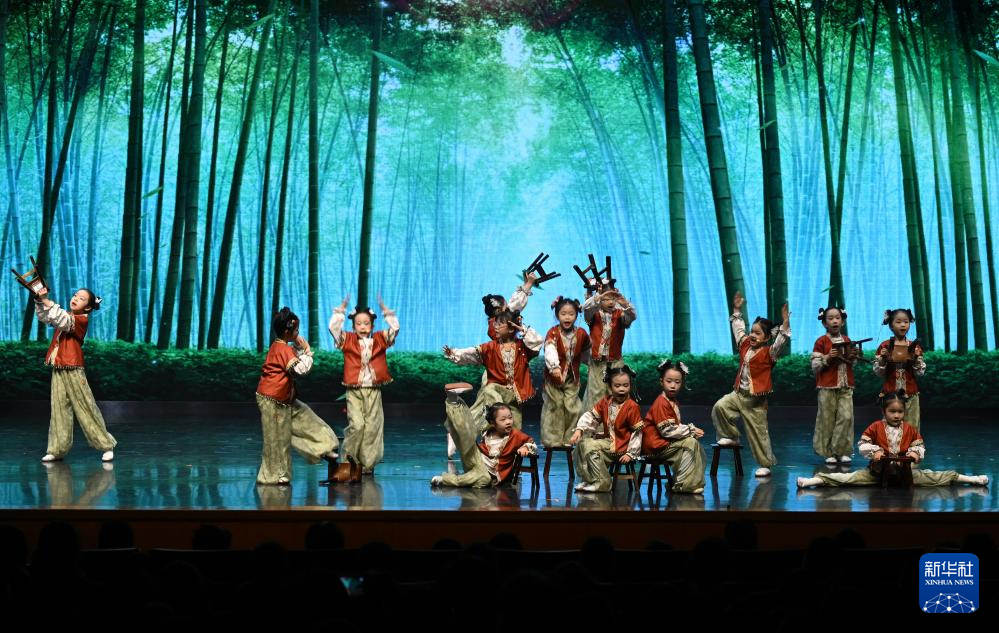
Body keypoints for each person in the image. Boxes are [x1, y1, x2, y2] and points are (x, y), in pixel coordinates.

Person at [797, 391, 988, 488]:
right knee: (849, 478)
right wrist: (875, 452)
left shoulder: (909, 429)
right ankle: (814, 481)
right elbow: (862, 444)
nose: (897, 415)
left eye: (900, 412)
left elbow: (919, 445)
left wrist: (915, 453)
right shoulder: (876, 427)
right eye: (892, 411)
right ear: (884, 411)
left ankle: (972, 479)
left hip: (904, 473)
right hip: (878, 472)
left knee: (934, 476)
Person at [31, 286, 117, 463]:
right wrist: (40, 301)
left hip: (73, 368)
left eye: (81, 298)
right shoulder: (67, 315)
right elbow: (47, 317)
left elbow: (61, 319)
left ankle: (106, 445)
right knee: (59, 409)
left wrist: (46, 300)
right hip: (59, 367)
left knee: (85, 406)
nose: (76, 298)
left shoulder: (80, 319)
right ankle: (57, 449)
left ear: (88, 307)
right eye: (75, 295)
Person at [711, 292, 790, 477]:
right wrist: (736, 309)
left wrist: (785, 323)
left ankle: (765, 464)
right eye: (752, 331)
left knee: (758, 433)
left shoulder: (769, 353)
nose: (752, 335)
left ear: (766, 338)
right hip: (739, 394)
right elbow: (739, 330)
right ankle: (731, 436)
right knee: (720, 407)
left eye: (757, 333)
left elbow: (780, 342)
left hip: (755, 402)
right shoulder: (745, 344)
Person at [256, 308, 339, 485]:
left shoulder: (284, 348)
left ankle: (325, 447)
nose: (298, 333)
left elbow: (294, 361)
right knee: (277, 438)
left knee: (306, 417)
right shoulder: (281, 348)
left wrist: (300, 350)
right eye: (296, 330)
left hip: (284, 399)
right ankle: (275, 475)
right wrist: (307, 351)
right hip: (272, 399)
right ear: (287, 332)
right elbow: (301, 369)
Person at [329, 294, 400, 475]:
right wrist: (340, 311)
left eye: (366, 323)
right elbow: (333, 328)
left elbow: (395, 329)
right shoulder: (347, 339)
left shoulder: (380, 339)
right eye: (359, 323)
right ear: (353, 326)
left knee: (372, 427)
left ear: (372, 326)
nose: (362, 327)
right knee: (357, 425)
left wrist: (387, 312)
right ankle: (348, 461)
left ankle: (367, 463)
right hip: (354, 391)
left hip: (374, 391)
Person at [442, 309, 542, 431]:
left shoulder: (523, 348)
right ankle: (495, 417)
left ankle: (508, 439)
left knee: (513, 430)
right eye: (495, 324)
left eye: (500, 324)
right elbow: (471, 353)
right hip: (498, 389)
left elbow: (537, 342)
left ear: (511, 328)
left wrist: (521, 328)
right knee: (490, 391)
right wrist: (454, 353)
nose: (496, 327)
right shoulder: (491, 347)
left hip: (516, 395)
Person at [569, 365, 643, 492]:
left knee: (591, 447)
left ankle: (602, 483)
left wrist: (631, 453)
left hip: (622, 446)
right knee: (583, 444)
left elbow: (637, 432)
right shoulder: (606, 402)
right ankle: (589, 480)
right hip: (610, 442)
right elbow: (591, 416)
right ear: (610, 386)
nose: (622, 389)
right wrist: (579, 429)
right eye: (617, 386)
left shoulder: (632, 406)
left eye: (625, 385)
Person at [431, 400, 537, 488]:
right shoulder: (488, 433)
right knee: (466, 436)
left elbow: (531, 442)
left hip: (490, 473)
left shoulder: (515, 435)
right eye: (503, 419)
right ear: (492, 423)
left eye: (510, 417)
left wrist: (525, 447)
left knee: (484, 479)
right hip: (477, 461)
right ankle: (454, 404)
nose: (508, 422)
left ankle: (445, 480)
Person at [641, 360, 707, 494]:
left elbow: (674, 426)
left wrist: (691, 431)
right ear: (661, 382)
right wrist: (691, 430)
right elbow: (667, 431)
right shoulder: (661, 403)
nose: (673, 386)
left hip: (664, 443)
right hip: (656, 446)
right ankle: (682, 485)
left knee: (696, 445)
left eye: (677, 382)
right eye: (669, 381)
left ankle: (682, 481)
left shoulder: (672, 401)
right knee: (690, 443)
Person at [540, 296, 590, 448]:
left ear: (576, 315)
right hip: (553, 377)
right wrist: (554, 366)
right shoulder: (553, 332)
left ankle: (570, 438)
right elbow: (549, 348)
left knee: (573, 407)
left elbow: (587, 351)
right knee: (554, 406)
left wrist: (591, 364)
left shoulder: (581, 333)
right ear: (557, 315)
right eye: (563, 314)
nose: (567, 317)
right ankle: (552, 440)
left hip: (571, 377)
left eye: (571, 314)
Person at [811, 306, 859, 464]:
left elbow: (852, 363)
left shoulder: (847, 340)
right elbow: (815, 366)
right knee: (827, 419)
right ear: (824, 323)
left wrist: (854, 356)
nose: (834, 321)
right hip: (827, 386)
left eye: (837, 318)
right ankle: (829, 452)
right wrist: (827, 357)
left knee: (846, 417)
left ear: (842, 321)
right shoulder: (821, 341)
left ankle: (842, 450)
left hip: (846, 385)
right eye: (830, 318)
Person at [581, 286, 636, 409]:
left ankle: (616, 418)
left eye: (613, 299)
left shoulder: (620, 314)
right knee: (596, 392)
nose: (611, 302)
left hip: (615, 361)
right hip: (597, 363)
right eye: (606, 299)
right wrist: (598, 297)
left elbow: (631, 317)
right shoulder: (593, 314)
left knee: (615, 390)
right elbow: (586, 308)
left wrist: (624, 303)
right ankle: (595, 419)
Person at [873, 308, 925, 430]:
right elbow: (878, 372)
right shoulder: (885, 345)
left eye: (906, 322)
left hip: (910, 393)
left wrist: (916, 359)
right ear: (891, 325)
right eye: (898, 322)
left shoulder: (914, 346)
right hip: (890, 394)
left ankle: (911, 443)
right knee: (891, 427)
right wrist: (883, 359)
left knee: (912, 427)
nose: (903, 325)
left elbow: (920, 372)